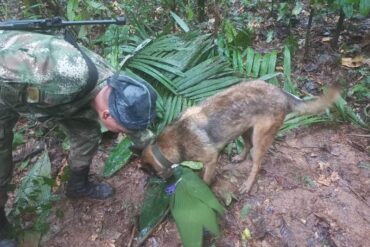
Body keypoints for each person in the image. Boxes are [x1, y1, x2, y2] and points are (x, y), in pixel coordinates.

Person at [0, 30, 157, 246]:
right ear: (107, 115)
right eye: (123, 130)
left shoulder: (119, 91)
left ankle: (77, 185)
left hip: (60, 102)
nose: (125, 133)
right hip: (5, 92)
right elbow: (6, 62)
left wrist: (157, 156)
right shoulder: (61, 72)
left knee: (87, 135)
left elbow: (137, 130)